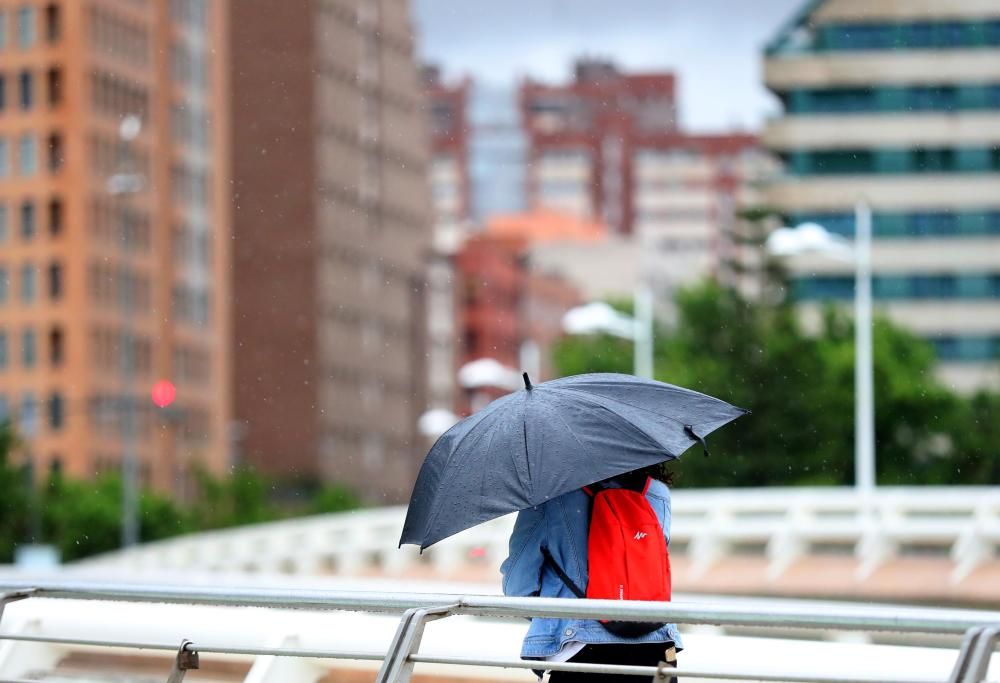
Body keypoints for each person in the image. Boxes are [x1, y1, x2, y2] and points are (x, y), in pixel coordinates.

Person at [500, 463, 680, 682]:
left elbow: (519, 587)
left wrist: (554, 615)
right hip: (659, 648)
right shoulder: (657, 492)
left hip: (583, 650)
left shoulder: (549, 497)